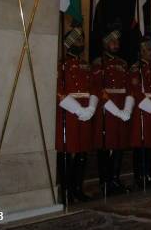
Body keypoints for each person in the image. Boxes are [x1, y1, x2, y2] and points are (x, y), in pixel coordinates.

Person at [56, 25, 96, 203]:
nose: (82, 43)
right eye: (78, 39)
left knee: (82, 153)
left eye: (82, 40)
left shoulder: (87, 66)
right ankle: (66, 192)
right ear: (69, 42)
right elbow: (58, 91)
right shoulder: (61, 66)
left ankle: (78, 188)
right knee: (68, 153)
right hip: (69, 113)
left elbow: (95, 88)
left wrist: (91, 108)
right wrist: (79, 110)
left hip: (87, 112)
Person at [92, 24, 133, 194]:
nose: (116, 44)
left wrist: (127, 109)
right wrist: (116, 110)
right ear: (105, 43)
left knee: (119, 145)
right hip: (107, 111)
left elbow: (129, 88)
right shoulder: (98, 63)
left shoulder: (123, 64)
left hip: (122, 110)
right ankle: (105, 182)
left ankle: (115, 179)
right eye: (112, 41)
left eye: (117, 41)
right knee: (105, 146)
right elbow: (98, 90)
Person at [128, 34, 151, 188]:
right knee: (141, 145)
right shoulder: (136, 69)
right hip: (143, 110)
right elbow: (136, 91)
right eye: (148, 49)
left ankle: (149, 174)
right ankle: (140, 176)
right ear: (141, 51)